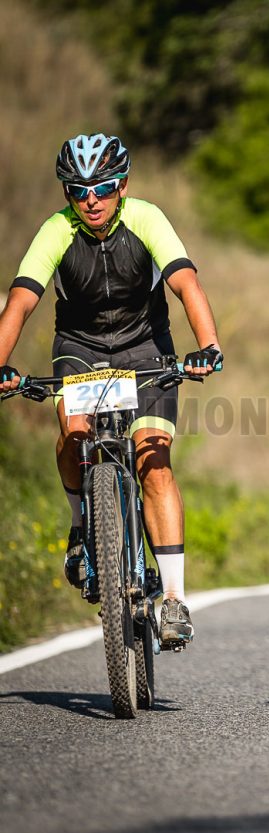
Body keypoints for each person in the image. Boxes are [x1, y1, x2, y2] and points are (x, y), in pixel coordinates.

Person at [0, 133, 223, 646]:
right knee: (74, 433)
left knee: (154, 460)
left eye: (102, 187)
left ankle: (173, 599)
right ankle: (82, 527)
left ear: (122, 185)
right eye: (79, 191)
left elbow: (186, 283)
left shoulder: (147, 218)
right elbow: (21, 300)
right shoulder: (56, 230)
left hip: (145, 348)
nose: (92, 200)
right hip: (80, 349)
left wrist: (208, 346)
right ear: (67, 194)